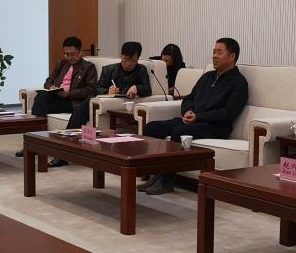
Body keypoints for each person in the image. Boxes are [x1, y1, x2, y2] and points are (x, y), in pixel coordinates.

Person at [140, 38, 248, 195]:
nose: (214, 56)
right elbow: (189, 98)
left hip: (215, 127)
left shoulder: (239, 83)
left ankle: (166, 180)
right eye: (213, 52)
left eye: (219, 52)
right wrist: (189, 110)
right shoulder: (207, 77)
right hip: (193, 120)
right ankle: (155, 175)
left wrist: (199, 116)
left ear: (232, 56)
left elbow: (228, 113)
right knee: (151, 128)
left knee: (179, 132)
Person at [50, 41, 152, 167]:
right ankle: (64, 151)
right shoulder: (109, 69)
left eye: (132, 60)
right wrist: (107, 90)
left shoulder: (141, 70)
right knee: (81, 109)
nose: (128, 64)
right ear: (121, 56)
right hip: (102, 102)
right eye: (125, 59)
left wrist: (137, 87)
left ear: (138, 58)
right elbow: (97, 88)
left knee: (83, 108)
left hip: (120, 105)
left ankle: (63, 154)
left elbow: (147, 89)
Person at [17, 36, 98, 158]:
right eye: (66, 54)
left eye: (72, 54)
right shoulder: (61, 63)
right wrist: (51, 87)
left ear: (80, 52)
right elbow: (48, 81)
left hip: (71, 101)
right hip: (57, 96)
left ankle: (35, 144)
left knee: (40, 106)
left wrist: (69, 93)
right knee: (41, 96)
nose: (69, 57)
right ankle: (33, 143)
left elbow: (90, 89)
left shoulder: (88, 67)